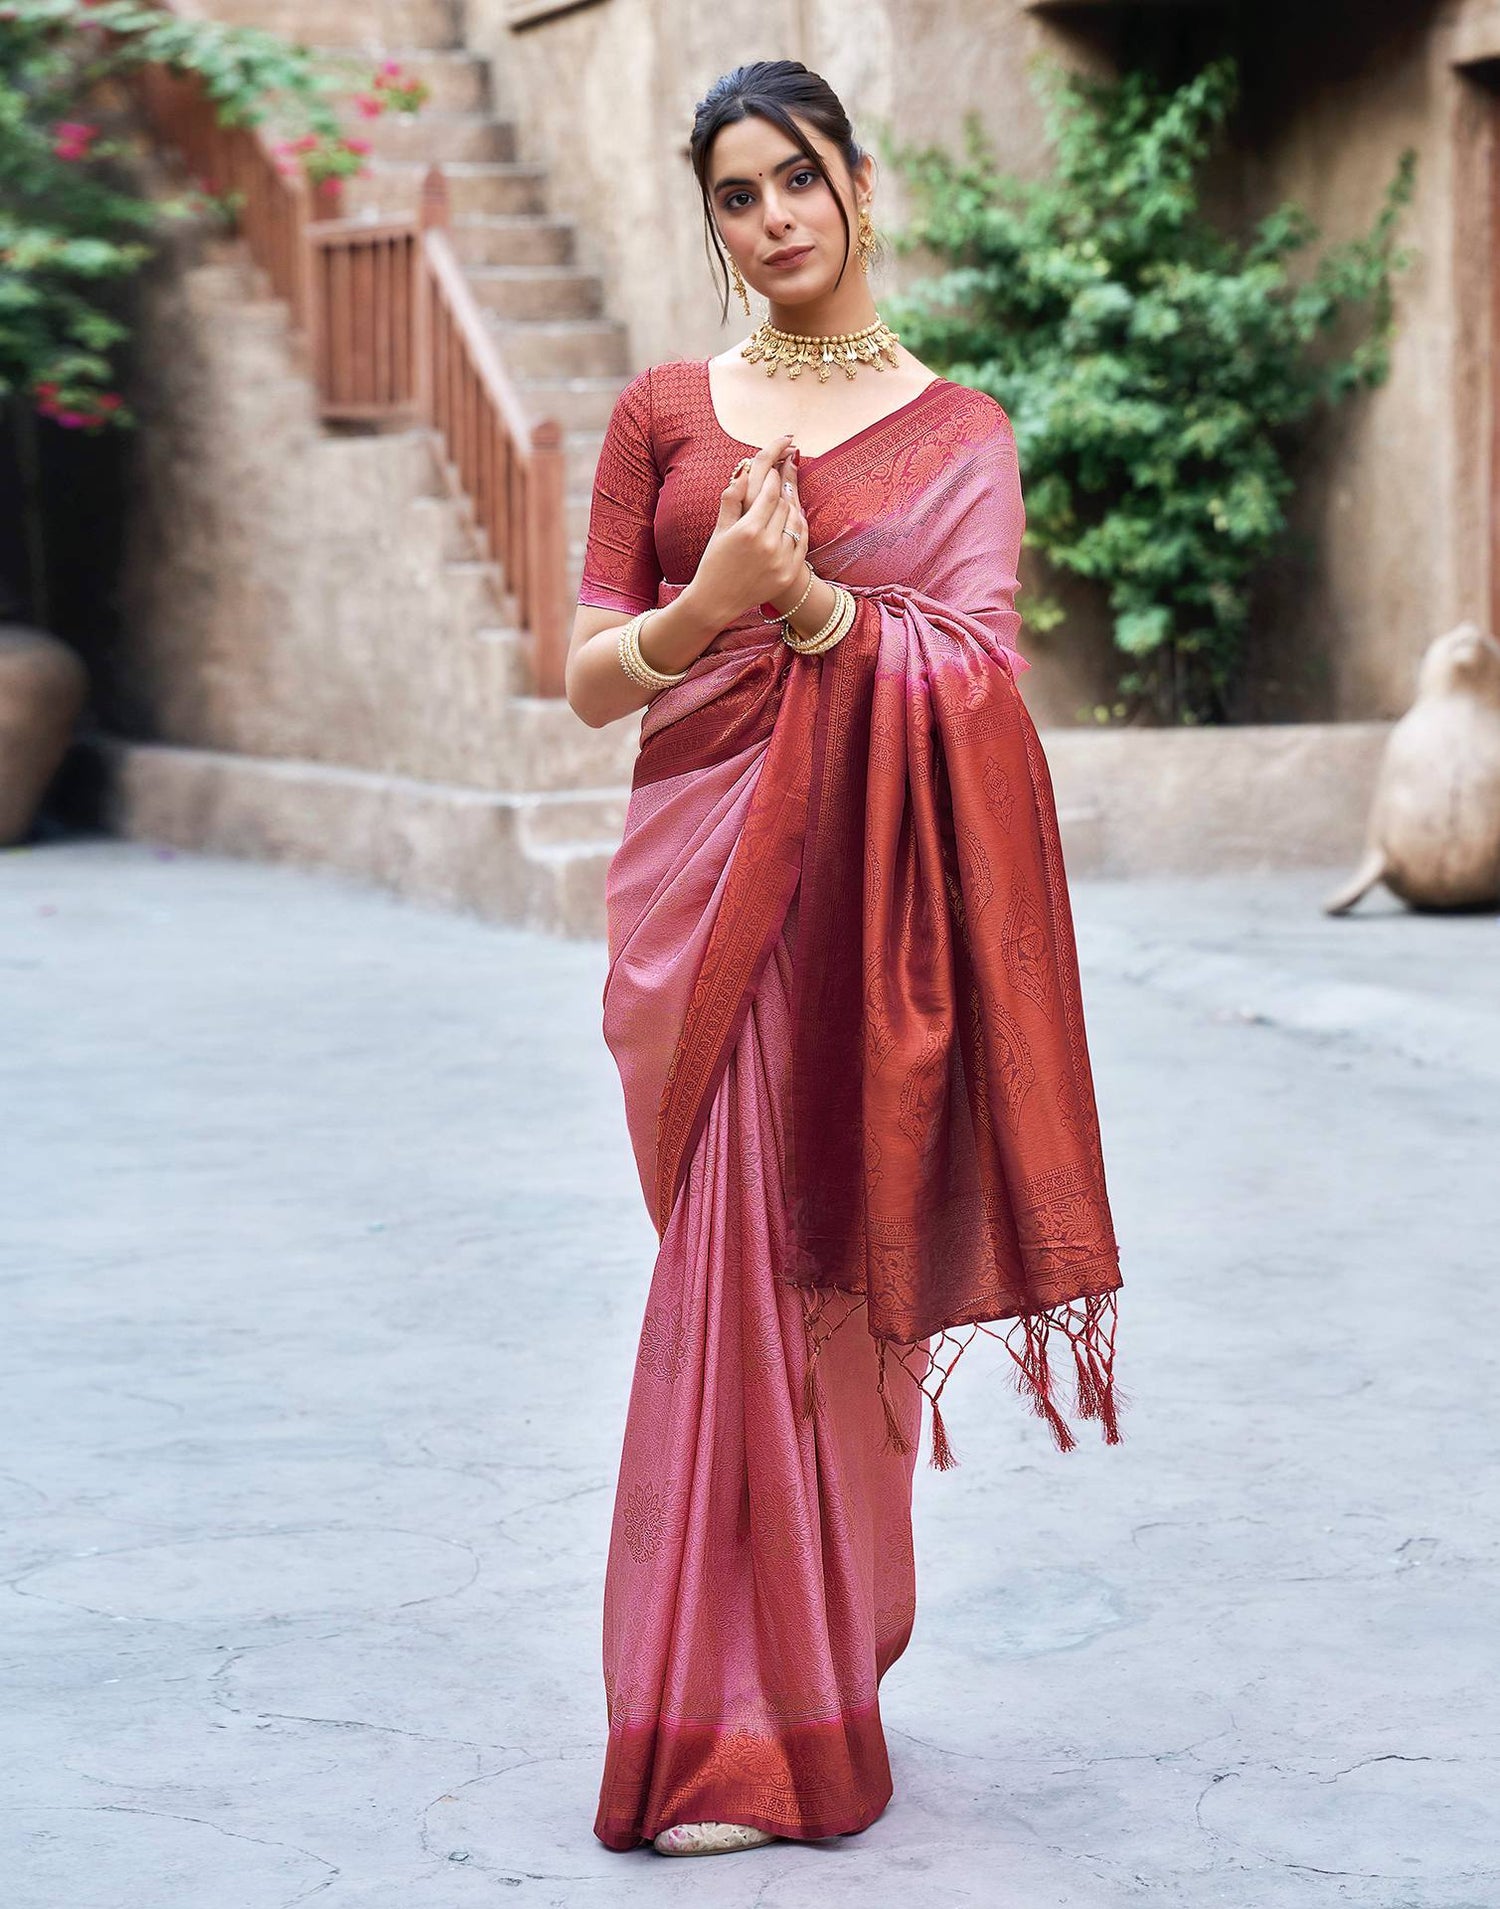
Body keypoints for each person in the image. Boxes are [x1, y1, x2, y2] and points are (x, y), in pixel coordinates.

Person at [564, 59, 1124, 1861]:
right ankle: (720, 1703)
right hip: (702, 886)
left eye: (797, 177)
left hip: (860, 904)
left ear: (859, 182)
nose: (773, 218)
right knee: (728, 1276)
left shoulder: (958, 430)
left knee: (813, 1270)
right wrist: (714, 612)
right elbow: (586, 677)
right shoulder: (663, 411)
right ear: (712, 218)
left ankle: (793, 1692)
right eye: (736, 194)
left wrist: (821, 613)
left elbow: (980, 672)